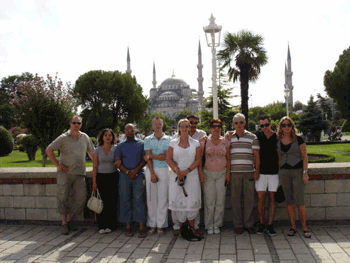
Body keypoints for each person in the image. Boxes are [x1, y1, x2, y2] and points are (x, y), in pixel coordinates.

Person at [46, 116, 95, 235]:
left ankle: (68, 221)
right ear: (70, 124)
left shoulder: (85, 137)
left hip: (80, 174)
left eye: (78, 123)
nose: (76, 125)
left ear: (81, 124)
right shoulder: (63, 138)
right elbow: (49, 149)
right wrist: (58, 165)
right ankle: (64, 223)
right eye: (74, 123)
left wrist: (97, 166)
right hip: (65, 173)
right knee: (63, 198)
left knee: (81, 199)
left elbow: (92, 153)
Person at [166, 119, 201, 238]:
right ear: (179, 128)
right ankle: (182, 228)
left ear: (190, 127)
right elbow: (168, 159)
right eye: (182, 126)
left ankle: (192, 228)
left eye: (187, 126)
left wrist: (187, 170)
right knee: (179, 202)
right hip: (177, 176)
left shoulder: (196, 143)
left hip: (192, 176)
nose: (185, 128)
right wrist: (177, 171)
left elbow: (198, 160)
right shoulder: (173, 143)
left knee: (191, 201)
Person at [277, 116, 311, 238]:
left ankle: (305, 228)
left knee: (300, 201)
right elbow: (279, 158)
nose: (286, 127)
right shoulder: (278, 140)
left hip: (297, 171)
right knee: (289, 201)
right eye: (283, 125)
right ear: (280, 127)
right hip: (284, 172)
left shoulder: (299, 139)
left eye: (288, 125)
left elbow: (305, 157)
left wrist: (305, 172)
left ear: (292, 127)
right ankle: (293, 227)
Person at [228, 113, 260, 234]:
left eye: (241, 122)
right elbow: (227, 156)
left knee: (249, 199)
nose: (239, 125)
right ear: (233, 124)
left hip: (248, 173)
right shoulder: (229, 138)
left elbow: (257, 156)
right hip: (234, 173)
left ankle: (249, 224)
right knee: (235, 200)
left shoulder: (252, 137)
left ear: (245, 123)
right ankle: (238, 225)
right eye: (236, 123)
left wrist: (256, 171)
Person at [114, 123, 147, 238]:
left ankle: (141, 226)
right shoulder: (120, 145)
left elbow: (144, 160)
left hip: (138, 175)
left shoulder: (141, 144)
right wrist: (127, 172)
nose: (129, 132)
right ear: (124, 131)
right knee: (125, 199)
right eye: (127, 130)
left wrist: (136, 170)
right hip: (124, 176)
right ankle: (128, 226)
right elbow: (117, 162)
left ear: (135, 131)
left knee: (139, 199)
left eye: (131, 130)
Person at [198, 119, 231, 235]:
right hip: (208, 173)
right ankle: (208, 224)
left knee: (220, 200)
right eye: (214, 126)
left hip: (222, 173)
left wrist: (228, 173)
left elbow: (228, 158)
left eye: (219, 126)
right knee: (209, 200)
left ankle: (217, 224)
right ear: (210, 128)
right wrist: (200, 173)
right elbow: (199, 158)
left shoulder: (225, 141)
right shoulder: (204, 141)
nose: (216, 129)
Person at [144, 117, 171, 236]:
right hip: (151, 170)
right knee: (151, 198)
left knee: (163, 198)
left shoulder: (169, 139)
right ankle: (152, 224)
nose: (158, 126)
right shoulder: (148, 139)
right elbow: (147, 157)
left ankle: (161, 225)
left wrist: (151, 156)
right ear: (152, 125)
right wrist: (152, 173)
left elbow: (166, 157)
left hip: (164, 169)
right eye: (155, 124)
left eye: (159, 124)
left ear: (162, 125)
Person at [254, 116, 279, 236]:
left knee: (272, 198)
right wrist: (228, 133)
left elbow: (279, 154)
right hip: (261, 172)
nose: (264, 127)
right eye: (262, 125)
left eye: (266, 125)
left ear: (271, 124)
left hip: (274, 172)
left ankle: (270, 224)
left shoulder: (276, 136)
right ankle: (261, 223)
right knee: (261, 198)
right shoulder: (258, 135)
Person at [92, 128, 119, 234]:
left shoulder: (116, 148)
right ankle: (101, 225)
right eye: (106, 135)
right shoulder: (97, 150)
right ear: (102, 137)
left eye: (110, 135)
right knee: (101, 202)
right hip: (101, 177)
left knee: (111, 201)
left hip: (113, 177)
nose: (108, 137)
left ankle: (111, 225)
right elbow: (94, 167)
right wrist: (94, 182)